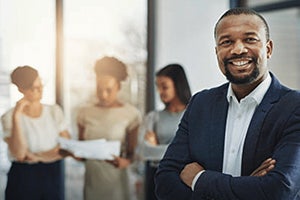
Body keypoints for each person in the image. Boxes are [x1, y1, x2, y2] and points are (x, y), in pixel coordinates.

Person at [155, 7, 300, 200]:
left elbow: (278, 189)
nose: (238, 49)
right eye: (227, 42)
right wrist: (248, 187)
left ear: (268, 49)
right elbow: (164, 183)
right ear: (217, 52)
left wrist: (199, 179)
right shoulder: (200, 104)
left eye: (250, 39)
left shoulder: (294, 106)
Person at [1, 66, 71, 200]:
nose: (39, 91)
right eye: (33, 88)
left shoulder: (54, 111)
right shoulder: (9, 117)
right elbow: (20, 154)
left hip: (52, 173)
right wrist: (17, 116)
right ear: (21, 89)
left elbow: (67, 147)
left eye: (41, 86)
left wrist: (39, 157)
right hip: (22, 177)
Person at [77, 56, 142, 200]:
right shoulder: (84, 113)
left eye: (109, 90)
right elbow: (81, 153)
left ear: (118, 87)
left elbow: (134, 153)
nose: (103, 95)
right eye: (99, 89)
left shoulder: (131, 114)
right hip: (92, 181)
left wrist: (126, 161)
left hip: (117, 180)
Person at [137, 64, 191, 200]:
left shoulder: (193, 115)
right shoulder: (153, 117)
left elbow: (194, 151)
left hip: (184, 179)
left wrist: (156, 148)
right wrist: (179, 152)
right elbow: (144, 151)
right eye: (157, 87)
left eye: (164, 86)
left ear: (178, 85)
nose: (160, 91)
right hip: (156, 177)